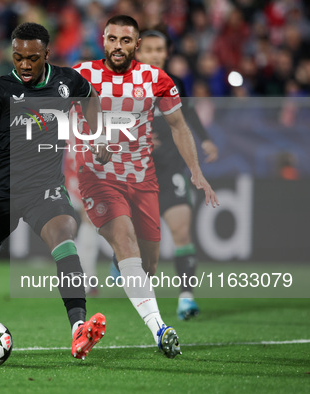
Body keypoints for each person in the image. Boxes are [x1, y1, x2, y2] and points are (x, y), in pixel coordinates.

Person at [0, 22, 106, 360]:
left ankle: (78, 330)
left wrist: (98, 134)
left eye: (32, 58)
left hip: (45, 189)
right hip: (0, 190)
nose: (24, 65)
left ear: (46, 55)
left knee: (65, 242)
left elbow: (92, 99)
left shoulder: (68, 82)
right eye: (18, 57)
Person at [73, 15, 219, 358]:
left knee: (147, 263)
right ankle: (160, 329)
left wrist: (196, 170)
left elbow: (180, 126)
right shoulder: (82, 74)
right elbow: (56, 113)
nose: (118, 47)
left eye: (126, 41)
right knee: (126, 241)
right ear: (103, 40)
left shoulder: (156, 79)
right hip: (98, 176)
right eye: (112, 39)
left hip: (143, 179)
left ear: (135, 45)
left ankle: (127, 268)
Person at [135, 29, 219, 321]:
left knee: (181, 229)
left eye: (160, 49)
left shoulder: (175, 82)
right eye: (149, 50)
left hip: (171, 167)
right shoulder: (122, 84)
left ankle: (186, 297)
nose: (155, 55)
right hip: (135, 169)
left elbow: (188, 114)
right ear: (137, 52)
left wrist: (204, 139)